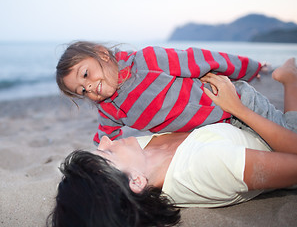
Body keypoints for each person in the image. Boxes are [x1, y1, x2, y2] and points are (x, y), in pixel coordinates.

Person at [47, 59, 297, 227]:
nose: (104, 140)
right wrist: (238, 109)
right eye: (107, 155)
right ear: (136, 181)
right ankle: (291, 80)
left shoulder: (140, 157)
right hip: (275, 139)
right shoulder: (209, 167)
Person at [57, 41, 269, 145]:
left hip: (238, 102)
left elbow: (202, 59)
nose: (90, 87)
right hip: (220, 130)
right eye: (82, 90)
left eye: (86, 75)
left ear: (102, 54)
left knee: (289, 134)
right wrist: (100, 154)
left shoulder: (147, 61)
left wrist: (251, 68)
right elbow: (105, 138)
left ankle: (288, 77)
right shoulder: (110, 109)